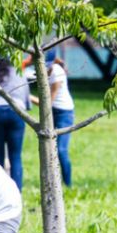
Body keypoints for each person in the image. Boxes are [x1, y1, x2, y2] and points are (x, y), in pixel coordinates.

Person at [0, 58, 31, 191]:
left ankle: (0, 193)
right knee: (15, 156)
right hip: (16, 110)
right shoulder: (17, 68)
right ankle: (16, 194)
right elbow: (25, 91)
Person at [29, 49, 75, 186]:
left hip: (64, 114)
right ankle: (53, 182)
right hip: (54, 112)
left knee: (61, 150)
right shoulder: (45, 70)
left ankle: (68, 184)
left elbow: (47, 103)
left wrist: (26, 97)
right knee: (50, 149)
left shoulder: (56, 71)